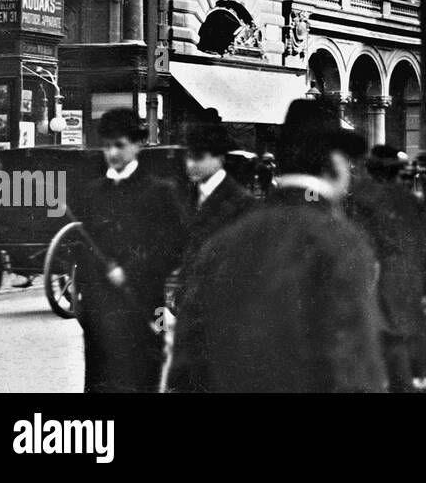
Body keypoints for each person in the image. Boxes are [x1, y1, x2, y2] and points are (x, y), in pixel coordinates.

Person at [168, 100, 385, 392]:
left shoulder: (224, 239)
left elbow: (186, 357)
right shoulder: (341, 241)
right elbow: (354, 366)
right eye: (348, 162)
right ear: (334, 162)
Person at [76, 109, 186, 393]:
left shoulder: (159, 192)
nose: (112, 152)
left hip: (141, 309)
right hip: (99, 317)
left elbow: (172, 247)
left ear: (137, 145)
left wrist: (131, 271)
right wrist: (85, 306)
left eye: (120, 144)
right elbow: (83, 250)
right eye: (107, 145)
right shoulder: (91, 193)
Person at [348, 145, 426, 393]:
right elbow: (422, 242)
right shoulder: (406, 200)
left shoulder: (359, 197)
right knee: (398, 335)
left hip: (376, 277)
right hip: (403, 277)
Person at [176, 112, 255, 313]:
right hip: (190, 305)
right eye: (188, 157)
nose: (190, 165)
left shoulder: (242, 203)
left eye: (199, 158)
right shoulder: (184, 196)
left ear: (219, 158)